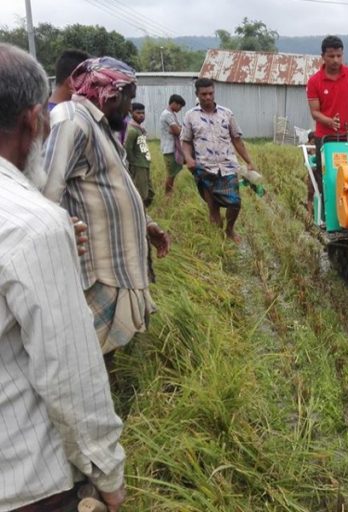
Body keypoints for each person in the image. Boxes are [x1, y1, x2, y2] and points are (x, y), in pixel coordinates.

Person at [0, 42, 126, 512]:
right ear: (34, 121)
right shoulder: (33, 226)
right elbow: (69, 373)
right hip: (26, 483)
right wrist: (107, 473)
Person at [42, 56, 171, 356]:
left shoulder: (99, 127)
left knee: (103, 353)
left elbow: (115, 187)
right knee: (89, 354)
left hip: (116, 265)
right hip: (97, 269)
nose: (130, 109)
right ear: (111, 93)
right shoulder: (72, 120)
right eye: (129, 99)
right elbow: (46, 191)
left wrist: (147, 223)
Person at [181, 77, 259, 243]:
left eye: (210, 93)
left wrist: (249, 161)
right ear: (197, 94)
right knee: (213, 207)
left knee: (235, 203)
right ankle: (218, 240)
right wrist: (188, 159)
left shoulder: (227, 113)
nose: (208, 97)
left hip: (228, 166)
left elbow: (236, 139)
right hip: (204, 168)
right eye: (204, 94)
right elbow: (186, 141)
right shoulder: (190, 116)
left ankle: (229, 229)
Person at [306, 35, 348, 141]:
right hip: (325, 137)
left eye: (339, 56)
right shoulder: (314, 82)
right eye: (331, 56)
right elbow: (315, 112)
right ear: (323, 56)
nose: (336, 60)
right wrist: (329, 121)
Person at [124, 102, 154, 207]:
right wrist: (134, 161)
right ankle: (139, 214)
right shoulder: (132, 130)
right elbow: (127, 148)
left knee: (149, 192)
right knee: (141, 194)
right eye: (138, 113)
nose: (141, 115)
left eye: (143, 113)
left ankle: (144, 212)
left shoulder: (139, 129)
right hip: (138, 165)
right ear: (132, 113)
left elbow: (142, 146)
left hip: (144, 164)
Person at [159, 93, 186, 194]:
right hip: (169, 149)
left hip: (172, 147)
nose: (180, 109)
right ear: (174, 103)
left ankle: (169, 193)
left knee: (172, 174)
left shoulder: (171, 114)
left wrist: (179, 128)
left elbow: (178, 128)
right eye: (180, 106)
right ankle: (167, 195)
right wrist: (179, 129)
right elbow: (178, 131)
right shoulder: (167, 114)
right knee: (171, 174)